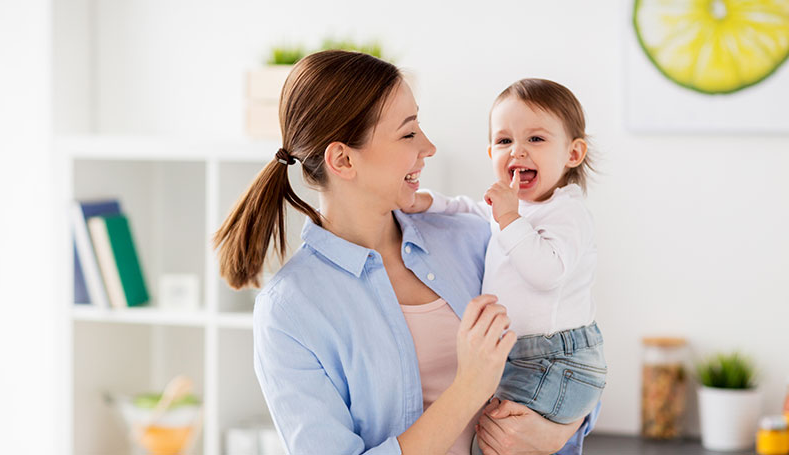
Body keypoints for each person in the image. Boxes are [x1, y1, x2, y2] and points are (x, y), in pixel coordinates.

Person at [214, 51, 596, 455]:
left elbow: (571, 351)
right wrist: (469, 389)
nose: (428, 146)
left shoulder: (474, 237)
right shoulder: (290, 310)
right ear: (343, 159)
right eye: (408, 132)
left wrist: (564, 426)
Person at [405, 78, 606, 455]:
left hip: (556, 357)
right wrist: (429, 202)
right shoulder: (515, 207)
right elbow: (471, 207)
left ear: (573, 154)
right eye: (504, 141)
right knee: (498, 439)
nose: (518, 151)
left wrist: (511, 217)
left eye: (536, 139)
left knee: (494, 444)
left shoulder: (567, 212)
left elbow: (547, 273)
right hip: (526, 355)